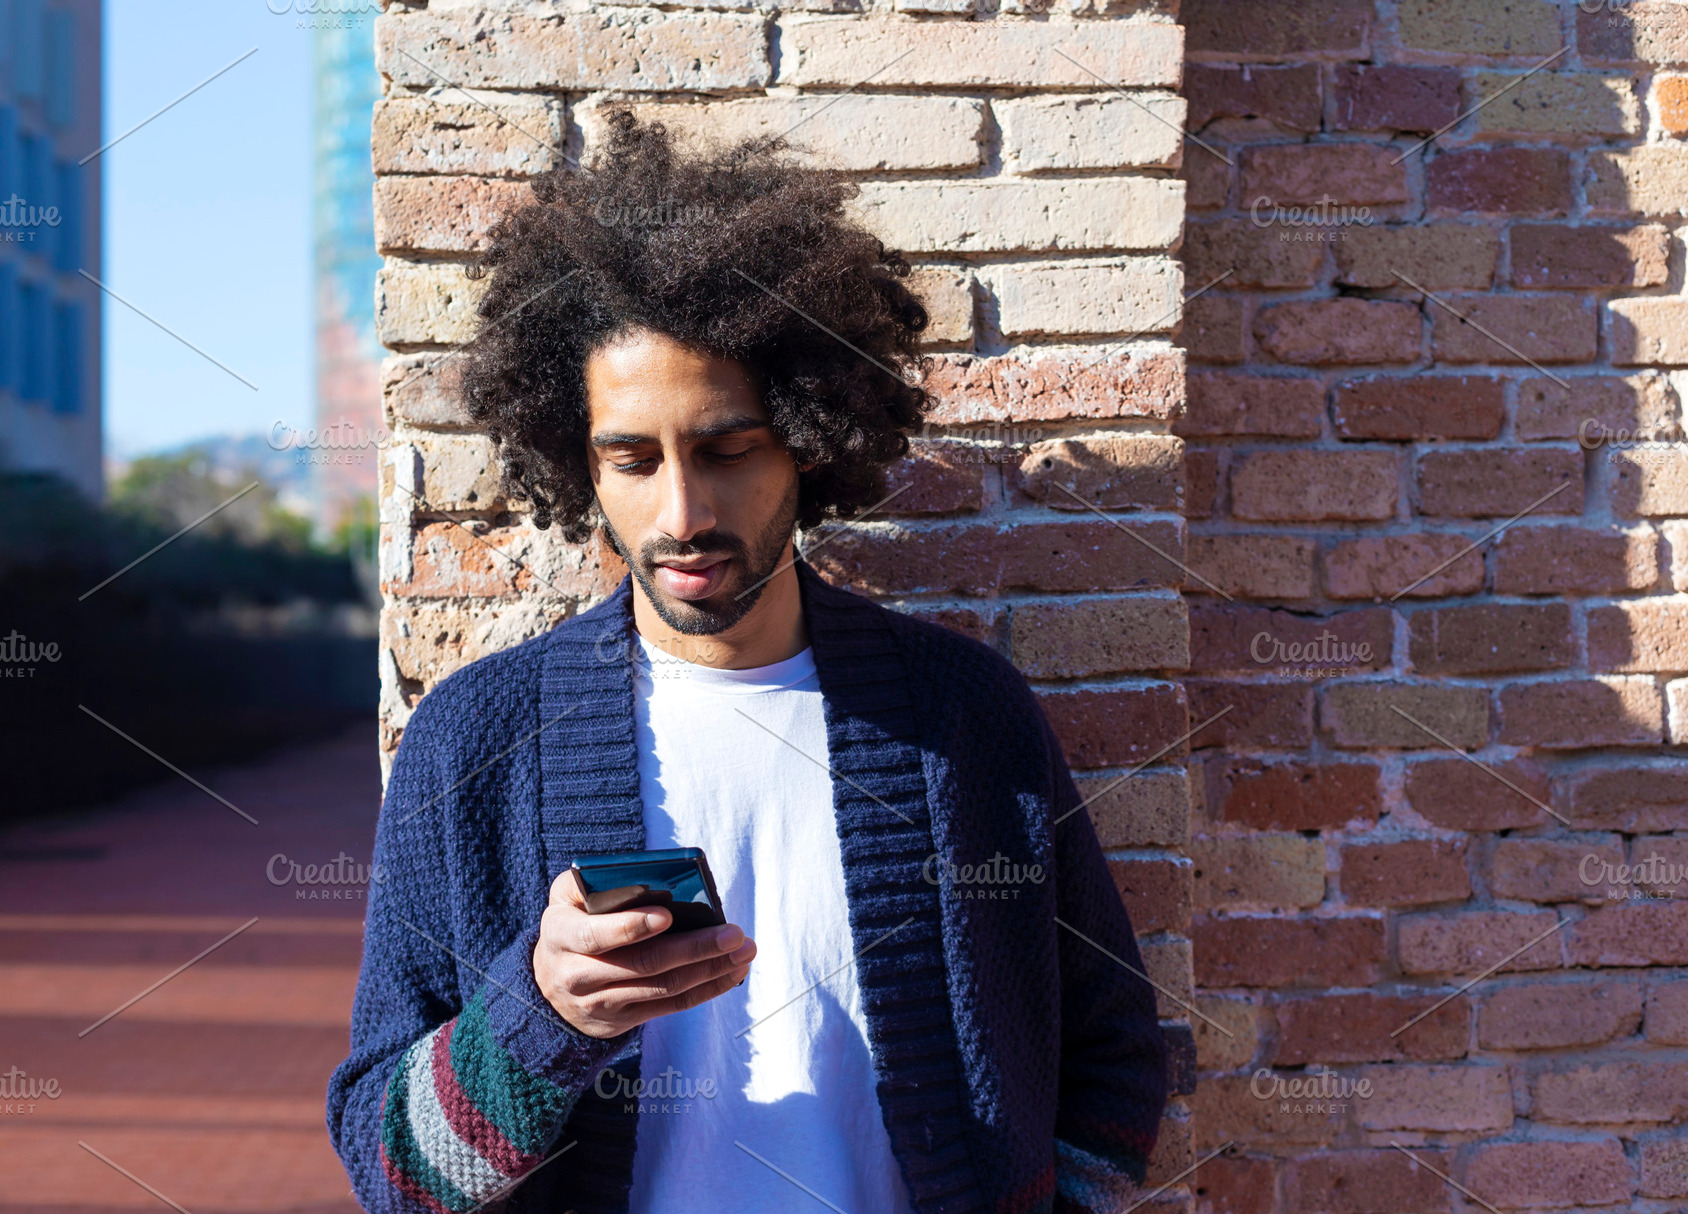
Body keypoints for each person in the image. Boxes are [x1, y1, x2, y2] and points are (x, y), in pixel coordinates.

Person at [327, 111, 1166, 1214]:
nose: (682, 511)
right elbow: (388, 1170)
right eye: (631, 458)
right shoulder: (479, 740)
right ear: (576, 463)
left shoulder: (963, 717)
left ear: (811, 437)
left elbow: (1113, 1052)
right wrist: (541, 1014)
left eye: (728, 450)